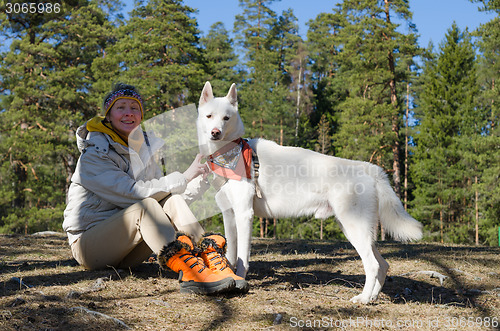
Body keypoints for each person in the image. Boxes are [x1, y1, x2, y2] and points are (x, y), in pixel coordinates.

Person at [63, 83, 248, 294]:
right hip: (90, 246)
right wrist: (184, 175)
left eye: (134, 108)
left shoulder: (145, 149)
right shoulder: (95, 154)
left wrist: (204, 176)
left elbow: (166, 197)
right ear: (108, 115)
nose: (128, 113)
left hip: (129, 249)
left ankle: (211, 261)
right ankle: (192, 273)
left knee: (172, 200)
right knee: (146, 207)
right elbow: (133, 193)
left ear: (141, 115)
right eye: (120, 107)